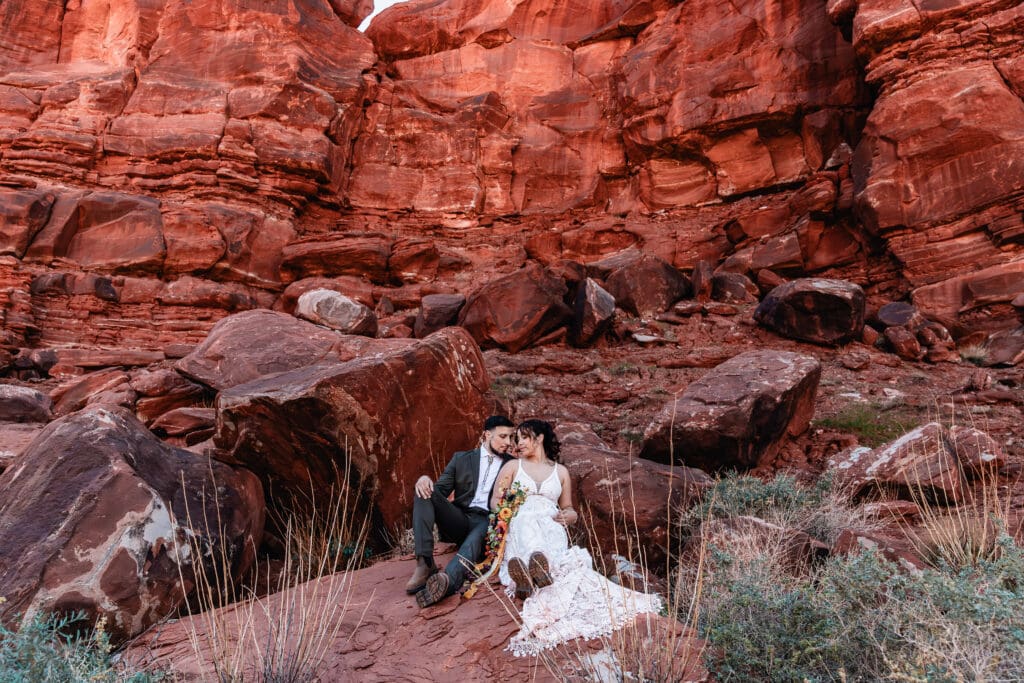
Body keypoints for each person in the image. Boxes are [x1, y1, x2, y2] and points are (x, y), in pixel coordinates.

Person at [490, 419, 663, 657]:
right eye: (517, 438)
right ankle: (532, 571)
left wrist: (569, 516)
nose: (518, 443)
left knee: (549, 534)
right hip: (520, 519)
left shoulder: (560, 472)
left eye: (524, 437)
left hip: (552, 523)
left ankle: (536, 572)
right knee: (527, 522)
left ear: (539, 439)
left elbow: (569, 507)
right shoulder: (513, 467)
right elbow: (494, 502)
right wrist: (511, 507)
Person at [408, 415, 515, 608]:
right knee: (423, 491)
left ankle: (447, 582)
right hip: (459, 519)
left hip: (487, 522)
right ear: (486, 435)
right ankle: (425, 563)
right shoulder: (461, 459)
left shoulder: (512, 465)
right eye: (503, 436)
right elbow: (439, 491)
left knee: (475, 538)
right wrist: (423, 478)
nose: (508, 442)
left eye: (511, 437)